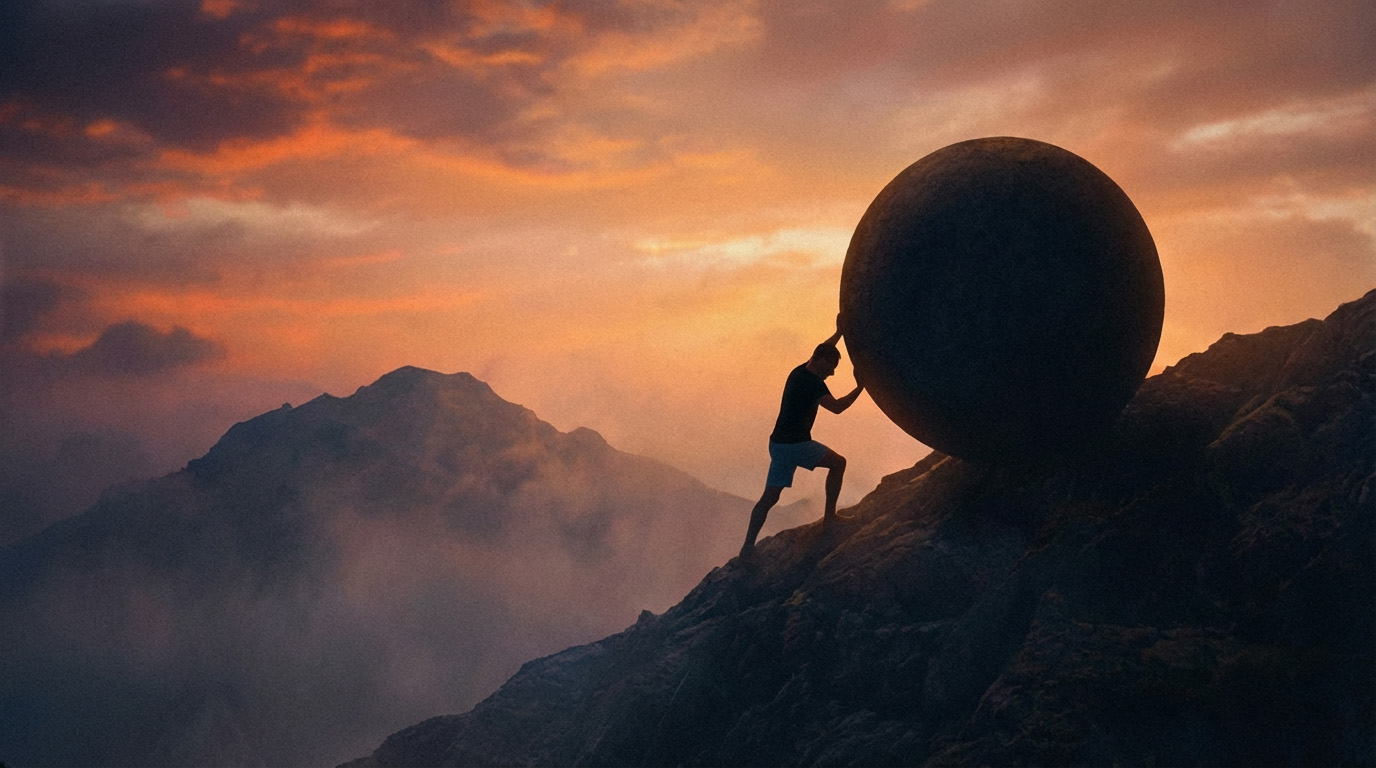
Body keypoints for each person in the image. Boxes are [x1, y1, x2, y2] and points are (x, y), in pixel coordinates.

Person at [740, 317, 865, 557]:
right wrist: (861, 386)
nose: (832, 374)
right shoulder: (813, 385)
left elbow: (820, 348)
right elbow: (837, 407)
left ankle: (747, 547)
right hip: (796, 445)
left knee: (769, 497)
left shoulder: (799, 371)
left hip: (777, 445)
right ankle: (830, 519)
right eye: (831, 368)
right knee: (838, 463)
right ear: (822, 362)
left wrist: (838, 332)